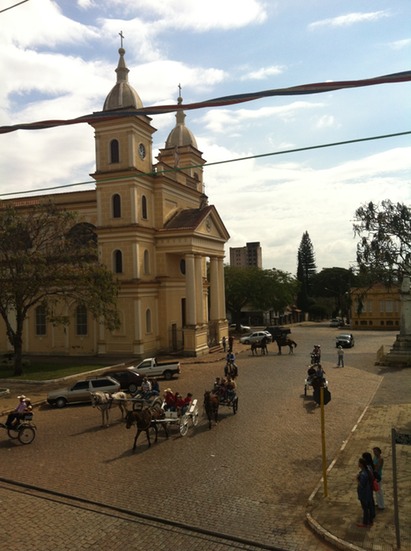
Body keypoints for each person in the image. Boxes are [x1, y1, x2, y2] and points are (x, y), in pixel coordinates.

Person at [357, 457, 374, 527]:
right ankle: (370, 521)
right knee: (369, 507)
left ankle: (365, 522)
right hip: (369, 492)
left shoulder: (363, 474)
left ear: (361, 464)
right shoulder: (368, 471)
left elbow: (362, 485)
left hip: (364, 493)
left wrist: (358, 479)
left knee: (365, 508)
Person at [362, 452, 377, 522]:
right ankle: (372, 514)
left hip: (367, 488)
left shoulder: (367, 468)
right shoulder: (371, 465)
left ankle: (368, 518)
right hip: (369, 487)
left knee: (367, 503)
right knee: (371, 501)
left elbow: (365, 480)